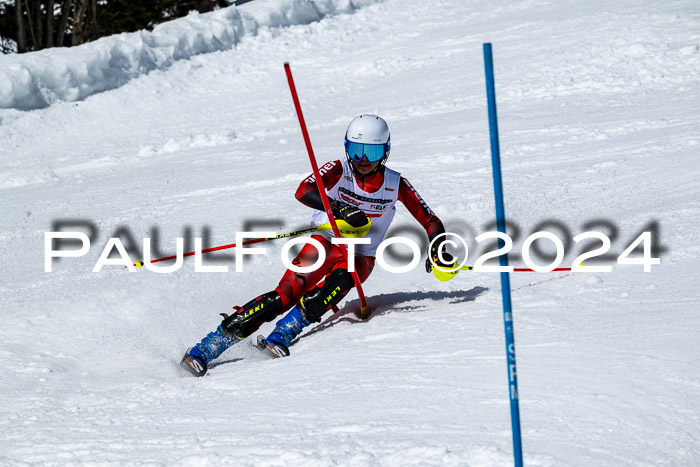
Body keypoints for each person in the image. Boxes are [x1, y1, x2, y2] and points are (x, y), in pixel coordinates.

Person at [181, 114, 452, 376]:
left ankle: (284, 332)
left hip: (361, 255)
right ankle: (207, 348)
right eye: (356, 150)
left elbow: (430, 219)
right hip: (325, 243)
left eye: (371, 152)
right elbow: (303, 190)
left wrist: (437, 244)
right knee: (284, 296)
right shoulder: (338, 169)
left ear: (386, 151)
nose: (363, 160)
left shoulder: (396, 183)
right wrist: (339, 208)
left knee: (342, 281)